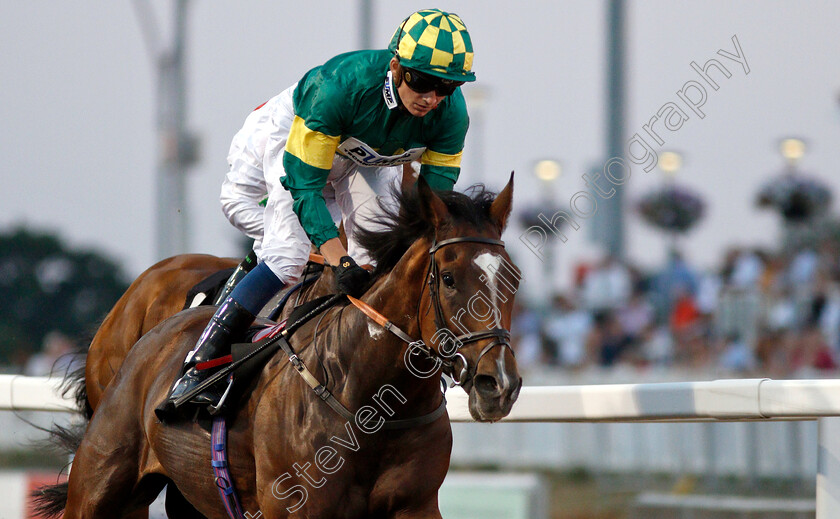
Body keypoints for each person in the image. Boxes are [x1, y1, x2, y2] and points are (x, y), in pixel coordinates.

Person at [158, 8, 476, 415]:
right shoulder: (338, 88)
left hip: (366, 158)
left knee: (378, 258)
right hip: (294, 133)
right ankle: (197, 366)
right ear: (396, 65)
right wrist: (335, 257)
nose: (432, 98)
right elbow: (305, 186)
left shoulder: (452, 115)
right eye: (423, 81)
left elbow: (434, 204)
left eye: (446, 87)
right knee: (286, 253)